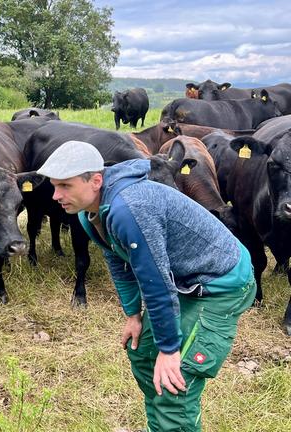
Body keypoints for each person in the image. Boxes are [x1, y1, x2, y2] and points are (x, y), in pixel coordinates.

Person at [36, 140, 256, 432]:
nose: (55, 195)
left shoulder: (129, 209)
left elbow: (156, 280)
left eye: (64, 186)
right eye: (54, 186)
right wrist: (132, 315)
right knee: (141, 354)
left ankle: (173, 422)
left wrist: (169, 349)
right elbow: (117, 259)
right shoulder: (90, 211)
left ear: (96, 180)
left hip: (219, 284)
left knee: (175, 381)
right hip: (182, 282)